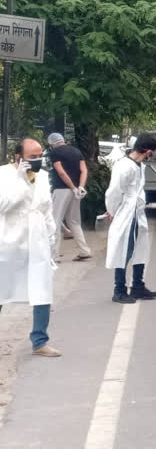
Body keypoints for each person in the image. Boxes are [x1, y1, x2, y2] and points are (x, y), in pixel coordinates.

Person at [0, 138, 61, 357]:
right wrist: (20, 181)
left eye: (40, 155)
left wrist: (52, 239)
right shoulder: (4, 174)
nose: (37, 160)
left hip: (38, 242)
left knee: (42, 290)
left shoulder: (43, 177)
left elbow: (47, 209)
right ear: (18, 156)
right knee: (2, 290)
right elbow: (3, 205)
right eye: (32, 156)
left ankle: (40, 341)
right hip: (9, 242)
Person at [105, 134, 156, 304]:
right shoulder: (124, 166)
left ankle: (137, 286)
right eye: (155, 151)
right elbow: (114, 192)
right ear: (148, 150)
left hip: (137, 213)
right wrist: (112, 211)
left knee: (140, 250)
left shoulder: (139, 166)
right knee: (124, 250)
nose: (155, 154)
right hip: (125, 213)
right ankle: (119, 290)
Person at [47, 132, 91, 262]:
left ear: (52, 143)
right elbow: (84, 170)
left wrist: (71, 187)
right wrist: (80, 187)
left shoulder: (55, 153)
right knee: (74, 221)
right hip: (77, 190)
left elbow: (61, 172)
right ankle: (84, 250)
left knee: (55, 221)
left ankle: (53, 255)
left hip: (61, 190)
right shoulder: (76, 151)